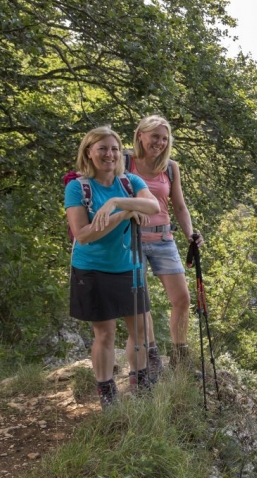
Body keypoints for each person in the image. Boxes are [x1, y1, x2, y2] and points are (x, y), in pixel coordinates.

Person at [65, 126, 160, 408]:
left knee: (140, 331)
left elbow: (153, 207)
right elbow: (83, 234)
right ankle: (106, 391)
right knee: (104, 334)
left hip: (129, 267)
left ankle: (140, 382)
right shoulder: (78, 187)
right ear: (89, 153)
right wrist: (125, 214)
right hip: (93, 269)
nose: (110, 154)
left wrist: (118, 202)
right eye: (103, 148)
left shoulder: (128, 182)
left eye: (115, 148)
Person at [126, 115, 203, 378]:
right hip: (130, 239)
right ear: (141, 135)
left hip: (163, 239)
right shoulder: (124, 162)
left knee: (182, 298)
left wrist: (191, 235)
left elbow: (179, 206)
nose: (159, 142)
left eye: (164, 138)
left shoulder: (170, 168)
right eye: (154, 136)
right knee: (141, 301)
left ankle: (180, 355)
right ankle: (152, 356)